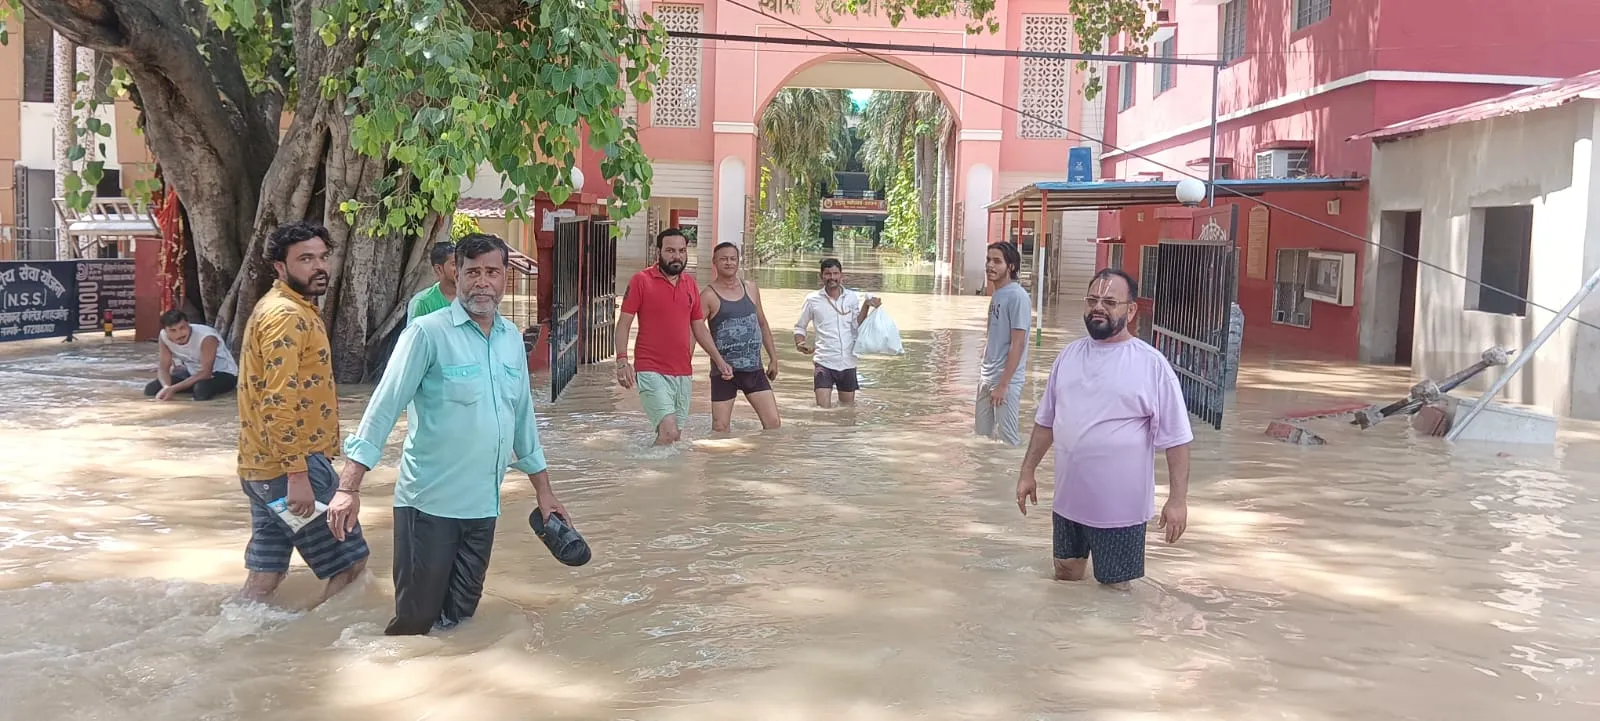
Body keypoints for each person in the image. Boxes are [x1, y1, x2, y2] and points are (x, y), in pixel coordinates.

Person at [332, 233, 569, 635]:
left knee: (460, 620)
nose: (482, 282)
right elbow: (385, 405)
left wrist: (544, 492)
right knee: (415, 623)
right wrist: (348, 486)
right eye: (472, 272)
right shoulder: (427, 333)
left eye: (491, 272)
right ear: (455, 274)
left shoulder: (511, 338)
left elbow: (522, 418)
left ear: (505, 277)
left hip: (483, 508)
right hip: (429, 506)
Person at [1015, 268, 1193, 588]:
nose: (1099, 307)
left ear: (1131, 309)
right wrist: (1027, 472)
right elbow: (1046, 423)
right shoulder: (1068, 356)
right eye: (1093, 300)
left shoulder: (1151, 365)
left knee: (1115, 596)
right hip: (1068, 504)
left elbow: (1177, 440)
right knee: (1065, 577)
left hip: (1120, 513)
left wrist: (1177, 500)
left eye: (1110, 301)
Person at [234, 221, 369, 606]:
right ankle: (310, 648)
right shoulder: (287, 317)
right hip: (290, 471)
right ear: (280, 267)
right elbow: (277, 402)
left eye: (322, 257)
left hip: (261, 471)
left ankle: (239, 642)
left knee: (266, 575)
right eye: (305, 259)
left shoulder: (280, 308)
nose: (319, 266)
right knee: (350, 566)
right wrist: (297, 475)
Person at [614, 228, 733, 446]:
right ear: (658, 251)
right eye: (670, 250)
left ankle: (655, 472)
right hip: (650, 368)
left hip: (682, 372)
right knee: (669, 432)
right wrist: (622, 361)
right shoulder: (641, 280)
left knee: (674, 436)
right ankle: (648, 474)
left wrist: (719, 360)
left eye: (681, 250)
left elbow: (699, 328)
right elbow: (623, 324)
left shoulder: (690, 285)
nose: (676, 256)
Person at [700, 242, 781, 432]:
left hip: (754, 369)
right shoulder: (707, 295)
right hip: (724, 372)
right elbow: (696, 330)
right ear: (714, 262)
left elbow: (762, 323)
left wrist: (774, 358)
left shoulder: (751, 288)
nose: (729, 263)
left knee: (773, 424)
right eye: (723, 259)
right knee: (720, 427)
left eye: (732, 258)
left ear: (738, 261)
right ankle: (723, 462)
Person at [793, 258, 881, 408]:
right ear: (821, 276)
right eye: (827, 274)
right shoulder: (812, 299)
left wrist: (867, 305)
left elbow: (857, 325)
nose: (832, 277)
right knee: (822, 411)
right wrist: (800, 343)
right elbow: (800, 327)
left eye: (835, 273)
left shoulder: (852, 298)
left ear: (841, 276)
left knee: (847, 411)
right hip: (824, 361)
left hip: (848, 362)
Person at [975, 242, 1031, 445]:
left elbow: (1018, 343)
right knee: (981, 439)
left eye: (997, 261)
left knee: (1008, 442)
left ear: (1011, 267)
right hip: (986, 376)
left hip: (1006, 382)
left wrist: (1003, 385)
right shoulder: (998, 294)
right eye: (988, 260)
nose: (990, 265)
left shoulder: (1018, 297)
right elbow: (993, 335)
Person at [145, 309, 239, 401]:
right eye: (173, 330)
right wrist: (166, 387)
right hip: (192, 374)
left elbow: (206, 373)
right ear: (165, 331)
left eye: (182, 328)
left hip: (223, 374)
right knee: (152, 389)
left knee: (201, 390)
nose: (179, 334)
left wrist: (173, 389)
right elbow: (163, 368)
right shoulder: (163, 337)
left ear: (188, 324)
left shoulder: (206, 337)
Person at [407, 241, 458, 323]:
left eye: (462, 263)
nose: (461, 268)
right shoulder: (423, 303)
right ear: (439, 269)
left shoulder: (471, 297)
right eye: (454, 264)